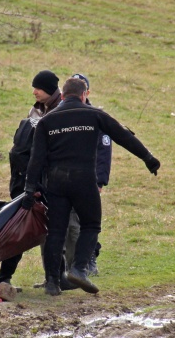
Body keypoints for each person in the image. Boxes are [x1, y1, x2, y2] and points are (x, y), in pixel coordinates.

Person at [23, 77, 160, 296]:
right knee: (91, 225)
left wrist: (29, 189)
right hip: (84, 179)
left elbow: (36, 159)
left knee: (55, 231)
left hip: (56, 182)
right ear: (84, 94)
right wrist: (148, 158)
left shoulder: (47, 121)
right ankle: (79, 268)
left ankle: (51, 282)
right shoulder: (94, 114)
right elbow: (123, 136)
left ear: (63, 95)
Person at [0, 70, 62, 287]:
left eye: (38, 88)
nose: (34, 91)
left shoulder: (61, 112)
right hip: (28, 182)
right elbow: (23, 152)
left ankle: (55, 278)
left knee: (55, 230)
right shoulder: (34, 112)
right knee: (19, 230)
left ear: (50, 90)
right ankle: (4, 279)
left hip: (51, 182)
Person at [63, 74, 111, 277]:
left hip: (89, 179)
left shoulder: (96, 116)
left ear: (87, 93)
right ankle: (70, 264)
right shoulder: (63, 114)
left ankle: (89, 257)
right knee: (68, 222)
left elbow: (104, 151)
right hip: (65, 178)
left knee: (86, 221)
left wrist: (100, 180)